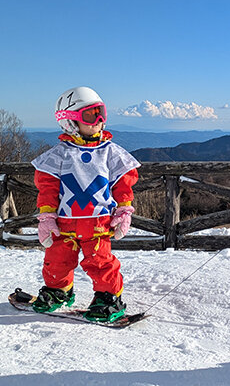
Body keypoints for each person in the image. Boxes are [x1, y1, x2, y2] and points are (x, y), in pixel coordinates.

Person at [30, 86, 140, 322]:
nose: (99, 121)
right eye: (90, 115)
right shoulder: (58, 155)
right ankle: (58, 290)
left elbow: (123, 183)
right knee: (57, 260)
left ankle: (109, 297)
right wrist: (47, 217)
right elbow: (47, 188)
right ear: (69, 122)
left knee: (100, 262)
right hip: (64, 224)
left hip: (98, 224)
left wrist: (123, 210)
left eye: (101, 113)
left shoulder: (110, 152)